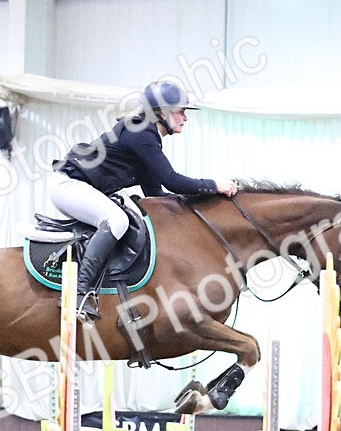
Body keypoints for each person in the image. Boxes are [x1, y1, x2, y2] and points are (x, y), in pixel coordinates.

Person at [50, 79, 239, 321]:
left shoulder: (147, 136)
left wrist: (202, 209)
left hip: (80, 187)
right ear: (161, 112)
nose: (185, 118)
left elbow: (157, 194)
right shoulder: (141, 133)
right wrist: (214, 186)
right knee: (117, 220)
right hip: (68, 185)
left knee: (127, 216)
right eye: (181, 111)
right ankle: (80, 292)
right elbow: (172, 181)